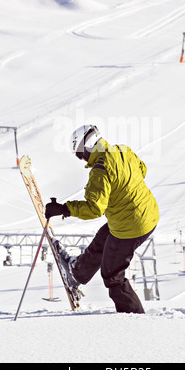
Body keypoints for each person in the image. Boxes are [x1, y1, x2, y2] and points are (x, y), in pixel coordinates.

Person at [45, 125, 159, 314]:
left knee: (112, 275)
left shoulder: (100, 170)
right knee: (105, 236)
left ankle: (135, 319)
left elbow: (94, 209)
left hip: (132, 226)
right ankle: (78, 272)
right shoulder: (122, 150)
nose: (81, 159)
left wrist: (64, 208)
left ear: (87, 147)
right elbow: (142, 169)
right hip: (148, 214)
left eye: (79, 154)